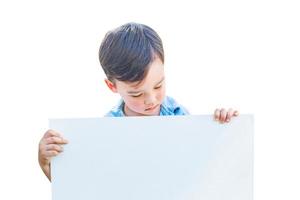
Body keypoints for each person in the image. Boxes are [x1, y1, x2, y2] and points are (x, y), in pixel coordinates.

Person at [38, 22, 239, 181]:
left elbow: (203, 169)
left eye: (158, 85)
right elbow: (85, 186)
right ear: (112, 86)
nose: (151, 100)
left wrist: (222, 127)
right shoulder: (104, 132)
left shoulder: (179, 114)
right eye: (136, 94)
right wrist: (46, 163)